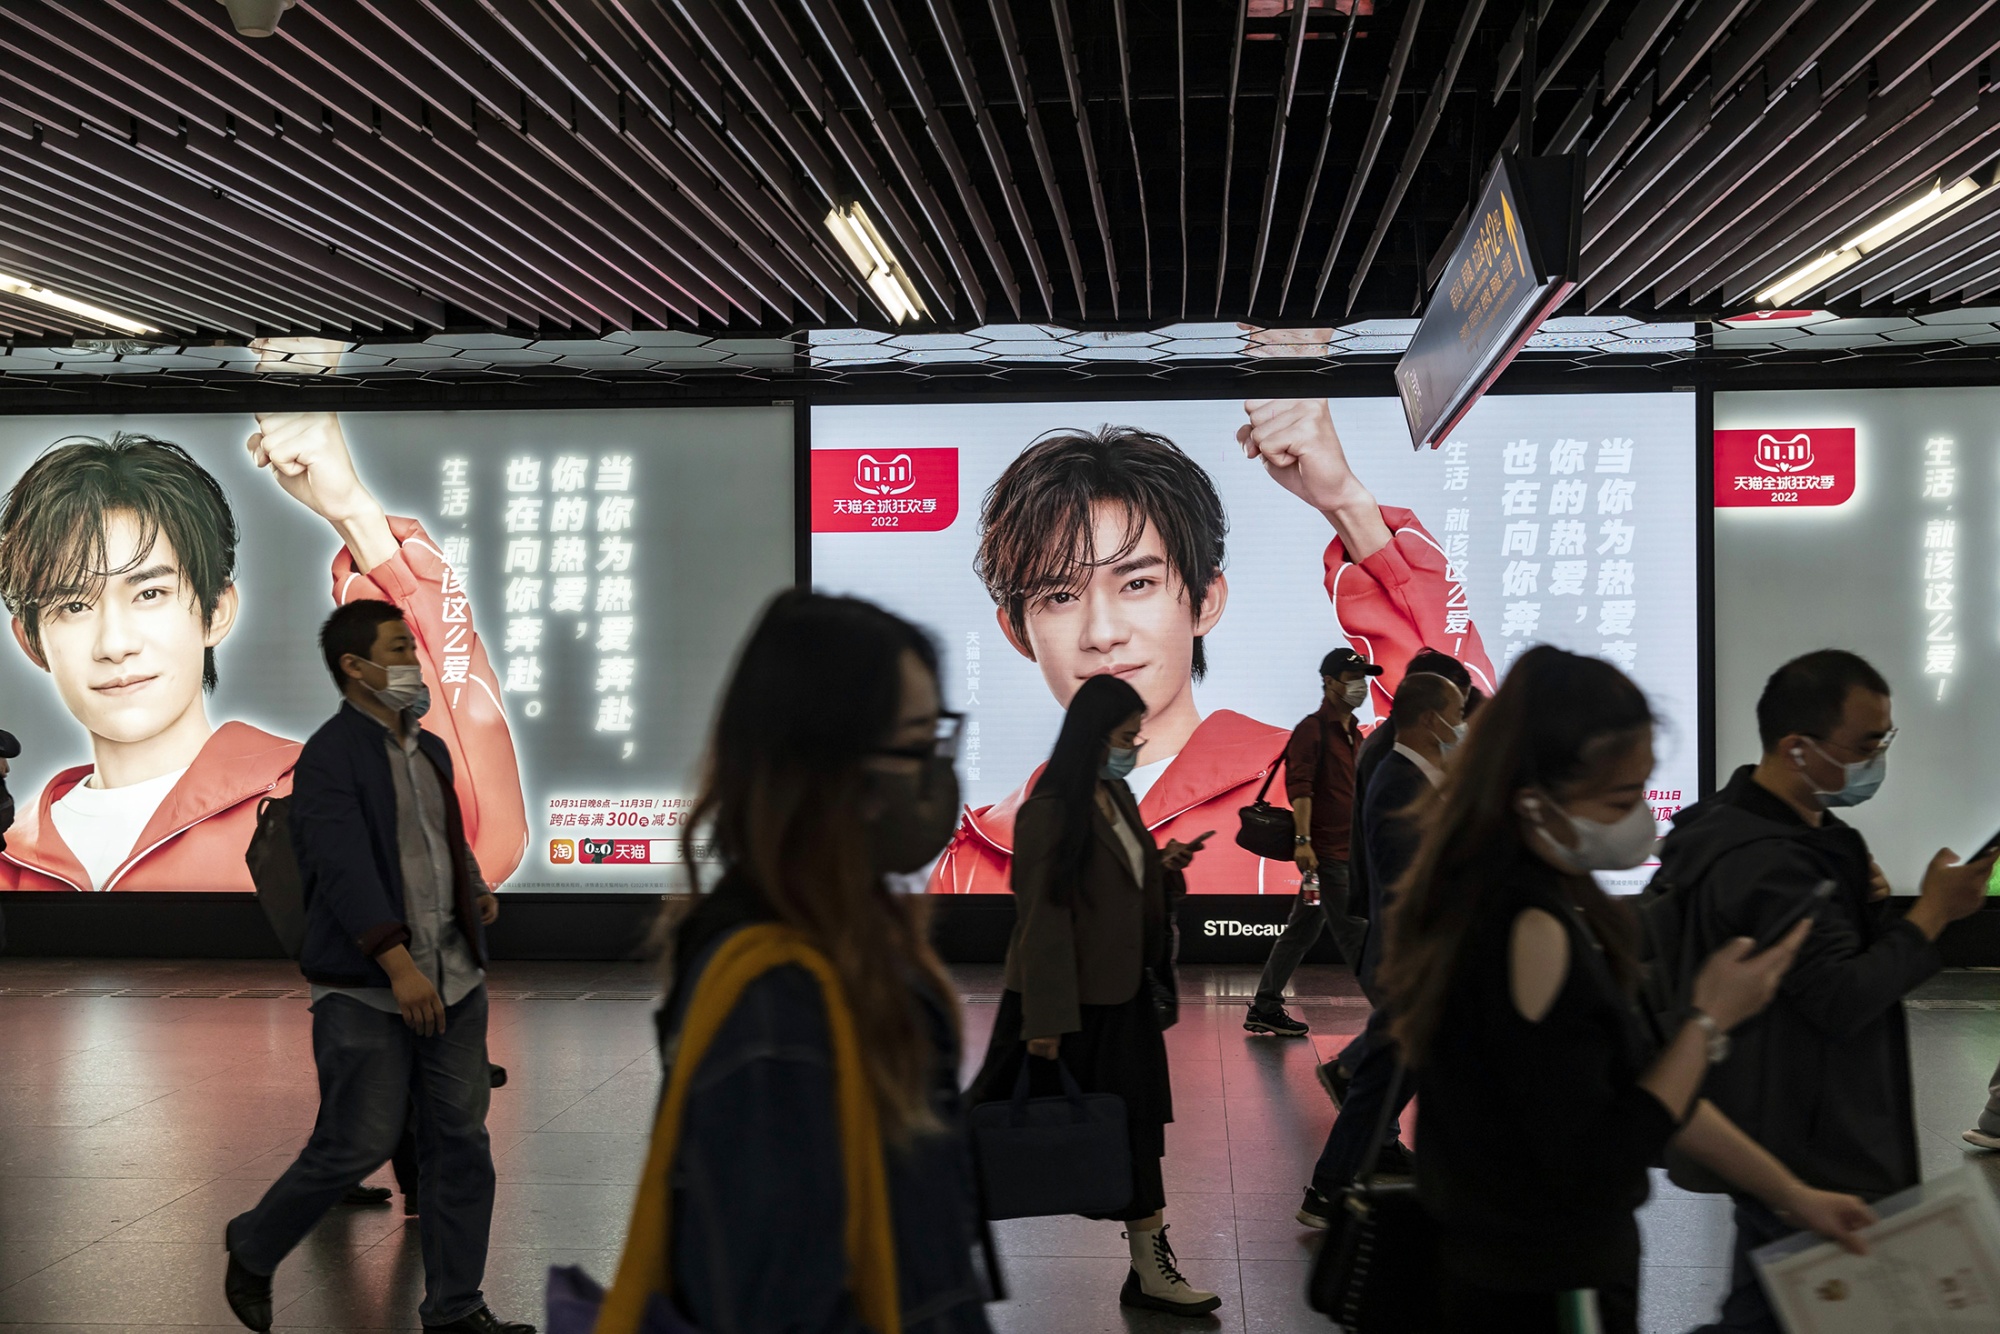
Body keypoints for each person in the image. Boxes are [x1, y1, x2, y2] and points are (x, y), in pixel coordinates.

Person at [1379, 646, 1875, 1334]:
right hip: (1548, 1286)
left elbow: (1636, 1079)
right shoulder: (1527, 927)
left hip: (1528, 1271)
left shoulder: (1522, 898)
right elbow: (1601, 1155)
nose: (1643, 816)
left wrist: (1793, 1195)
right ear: (1535, 802)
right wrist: (1708, 1022)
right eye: (1620, 799)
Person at [607, 590, 990, 1333]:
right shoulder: (778, 998)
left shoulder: (850, 939)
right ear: (827, 766)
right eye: (916, 748)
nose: (937, 777)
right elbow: (776, 1295)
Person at [931, 398, 1494, 897]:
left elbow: (1464, 746)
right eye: (1059, 596)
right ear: (1017, 632)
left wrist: (1346, 503)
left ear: (1205, 601)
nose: (1102, 633)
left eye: (1137, 584)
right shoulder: (977, 860)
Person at [0, 416, 525, 892]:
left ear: (216, 611)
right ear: (30, 641)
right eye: (73, 605)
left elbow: (469, 842)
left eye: (150, 593)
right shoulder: (12, 852)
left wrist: (354, 516)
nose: (115, 644)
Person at [1657, 649, 1995, 1334]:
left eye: (1885, 739)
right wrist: (1932, 913)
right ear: (1797, 748)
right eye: (1865, 744)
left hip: (1781, 1123)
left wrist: (1869, 910)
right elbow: (1841, 997)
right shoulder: (1769, 861)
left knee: (1767, 1307)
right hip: (1808, 1134)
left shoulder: (1777, 831)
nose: (1877, 758)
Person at [223, 600, 529, 1334]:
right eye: (398, 650)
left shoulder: (431, 750)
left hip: (454, 979)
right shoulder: (331, 755)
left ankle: (455, 1308)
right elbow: (343, 869)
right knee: (355, 1143)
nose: (413, 664)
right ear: (355, 668)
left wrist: (474, 888)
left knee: (461, 1145)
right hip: (368, 989)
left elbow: (445, 838)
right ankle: (255, 1243)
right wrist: (397, 964)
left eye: (413, 650)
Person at [968, 673, 1216, 1317]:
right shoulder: (1051, 809)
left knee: (1135, 1133)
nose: (1134, 747)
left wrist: (1160, 869)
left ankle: (1150, 1270)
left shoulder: (1115, 794)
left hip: (1121, 995)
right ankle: (925, 1242)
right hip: (1066, 1002)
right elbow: (1043, 920)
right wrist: (1046, 1022)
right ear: (1093, 736)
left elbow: (1120, 881)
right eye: (1126, 737)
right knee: (992, 1127)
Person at [1297, 671, 1465, 1225]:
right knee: (1386, 1080)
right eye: (1456, 714)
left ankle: (1335, 1182)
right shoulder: (1398, 779)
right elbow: (1405, 879)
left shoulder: (1424, 777)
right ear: (1429, 719)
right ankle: (1331, 1188)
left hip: (1423, 959)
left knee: (1390, 1077)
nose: (1461, 725)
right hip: (1412, 958)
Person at [1320, 648, 1476, 1101]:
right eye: (1457, 707)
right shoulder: (1391, 756)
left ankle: (1354, 1083)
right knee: (1409, 1021)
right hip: (1392, 913)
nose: (1462, 721)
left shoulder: (1398, 748)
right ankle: (1355, 1085)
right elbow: (1393, 856)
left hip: (1398, 913)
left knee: (1408, 1023)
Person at [1243, 647, 1379, 1037]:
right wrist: (1303, 842)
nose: (1361, 686)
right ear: (1330, 682)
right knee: (1356, 932)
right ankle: (1396, 1018)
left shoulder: (1353, 733)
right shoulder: (1313, 729)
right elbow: (1300, 789)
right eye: (1353, 679)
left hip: (1344, 852)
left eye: (1364, 678)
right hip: (1326, 853)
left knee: (1302, 929)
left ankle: (1265, 1007)